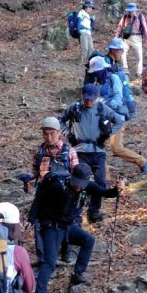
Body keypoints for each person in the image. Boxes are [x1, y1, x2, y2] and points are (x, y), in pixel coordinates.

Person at [28, 163, 125, 293]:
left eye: (81, 184)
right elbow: (38, 200)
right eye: (76, 182)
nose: (78, 187)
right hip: (52, 227)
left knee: (88, 240)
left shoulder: (88, 186)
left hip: (68, 226)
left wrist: (117, 189)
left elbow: (105, 193)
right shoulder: (56, 186)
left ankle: (77, 274)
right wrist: (31, 220)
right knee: (50, 262)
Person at [60, 82, 122, 222]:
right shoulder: (75, 107)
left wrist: (108, 134)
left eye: (92, 99)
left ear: (97, 97)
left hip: (98, 150)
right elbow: (60, 120)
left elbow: (119, 120)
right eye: (86, 98)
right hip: (79, 150)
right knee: (79, 181)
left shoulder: (102, 108)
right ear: (82, 96)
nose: (89, 101)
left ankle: (94, 212)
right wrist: (68, 133)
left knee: (100, 182)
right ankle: (75, 212)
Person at [103, 38, 147, 174]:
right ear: (113, 50)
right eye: (120, 50)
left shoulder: (117, 69)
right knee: (96, 145)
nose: (122, 53)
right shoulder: (103, 65)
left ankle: (142, 162)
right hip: (104, 112)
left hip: (117, 112)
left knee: (116, 148)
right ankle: (103, 175)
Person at [32, 117, 79, 185]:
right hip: (43, 188)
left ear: (59, 132)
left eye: (52, 133)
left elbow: (76, 174)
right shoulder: (39, 151)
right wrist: (29, 176)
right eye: (45, 133)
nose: (49, 137)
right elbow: (35, 171)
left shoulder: (70, 151)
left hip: (63, 188)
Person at [116, 2, 147, 78]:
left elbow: (145, 28)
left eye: (132, 11)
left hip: (136, 38)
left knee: (139, 56)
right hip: (126, 38)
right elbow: (120, 27)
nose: (131, 12)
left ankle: (138, 72)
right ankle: (125, 69)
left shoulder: (140, 17)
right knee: (122, 53)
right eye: (129, 11)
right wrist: (116, 38)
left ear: (135, 10)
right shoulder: (125, 17)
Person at [77, 0, 96, 68]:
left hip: (88, 33)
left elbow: (90, 26)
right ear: (85, 7)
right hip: (83, 32)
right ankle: (80, 63)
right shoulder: (81, 12)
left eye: (91, 8)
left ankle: (89, 62)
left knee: (91, 49)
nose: (90, 9)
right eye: (89, 7)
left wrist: (92, 20)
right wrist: (78, 30)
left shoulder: (88, 15)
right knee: (84, 48)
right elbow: (79, 21)